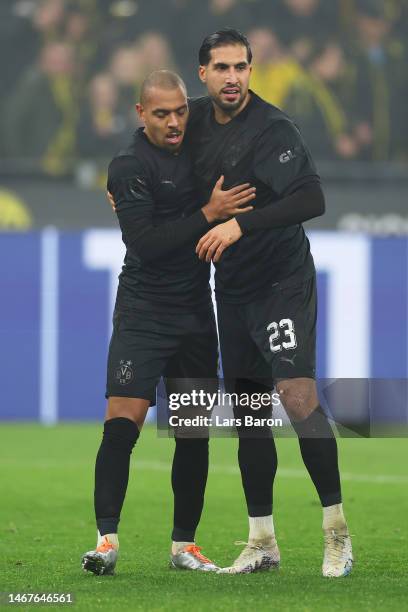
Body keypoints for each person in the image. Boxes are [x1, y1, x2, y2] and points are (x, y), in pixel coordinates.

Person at [189, 28, 352, 577]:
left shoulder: (274, 128)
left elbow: (312, 198)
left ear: (251, 71)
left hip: (282, 281)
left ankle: (336, 533)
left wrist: (240, 224)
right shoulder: (191, 122)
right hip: (232, 288)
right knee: (250, 414)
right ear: (203, 74)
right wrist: (124, 180)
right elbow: (145, 141)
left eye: (242, 67)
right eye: (223, 67)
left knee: (297, 394)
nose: (233, 77)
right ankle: (263, 541)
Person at [82, 69, 256, 576]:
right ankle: (106, 541)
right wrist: (208, 211)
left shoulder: (201, 142)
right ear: (141, 114)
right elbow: (148, 245)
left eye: (181, 111)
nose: (175, 122)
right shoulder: (129, 166)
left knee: (192, 432)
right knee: (123, 423)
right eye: (162, 114)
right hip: (143, 311)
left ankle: (185, 546)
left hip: (196, 314)